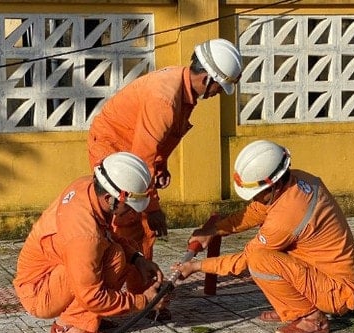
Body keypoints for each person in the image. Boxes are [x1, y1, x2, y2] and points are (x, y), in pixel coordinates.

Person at [172, 140, 354, 333]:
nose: (254, 199)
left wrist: (196, 266)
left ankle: (311, 318)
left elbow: (245, 260)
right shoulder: (296, 180)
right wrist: (214, 229)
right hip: (323, 274)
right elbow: (256, 212)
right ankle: (292, 308)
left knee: (260, 259)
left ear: (275, 183)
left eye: (257, 194)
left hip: (337, 291)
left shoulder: (287, 215)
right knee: (272, 253)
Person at [87, 38, 243, 260]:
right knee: (131, 216)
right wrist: (153, 208)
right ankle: (134, 284)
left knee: (134, 219)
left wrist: (161, 166)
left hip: (131, 148)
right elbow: (143, 156)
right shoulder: (165, 100)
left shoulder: (181, 85)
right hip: (113, 145)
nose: (218, 93)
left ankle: (137, 280)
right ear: (208, 79)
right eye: (220, 87)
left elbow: (157, 141)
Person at [13, 152, 166, 333]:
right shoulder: (84, 236)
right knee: (114, 257)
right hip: (39, 293)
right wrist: (144, 302)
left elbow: (108, 236)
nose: (132, 212)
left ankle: (86, 318)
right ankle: (69, 325)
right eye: (129, 206)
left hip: (49, 276)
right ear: (111, 199)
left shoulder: (89, 187)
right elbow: (92, 297)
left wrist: (138, 259)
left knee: (119, 252)